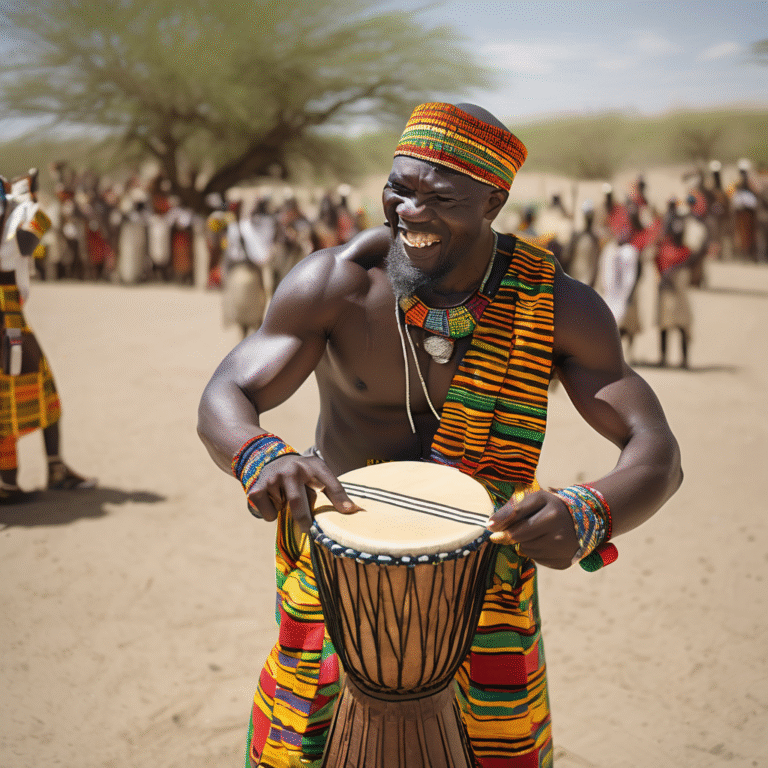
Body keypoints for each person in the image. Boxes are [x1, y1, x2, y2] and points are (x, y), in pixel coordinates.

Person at [198, 102, 682, 768]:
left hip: (489, 559)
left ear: (494, 201)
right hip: (336, 551)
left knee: (497, 741)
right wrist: (260, 455)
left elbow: (656, 449)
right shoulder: (336, 283)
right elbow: (228, 393)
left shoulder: (558, 305)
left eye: (440, 197)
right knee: (302, 741)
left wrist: (590, 512)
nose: (409, 211)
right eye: (400, 187)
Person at [0, 170, 96, 504]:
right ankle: (16, 482)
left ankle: (19, 479)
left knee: (16, 401)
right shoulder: (12, 236)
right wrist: (32, 205)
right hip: (9, 323)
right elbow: (30, 241)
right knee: (28, 397)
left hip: (11, 320)